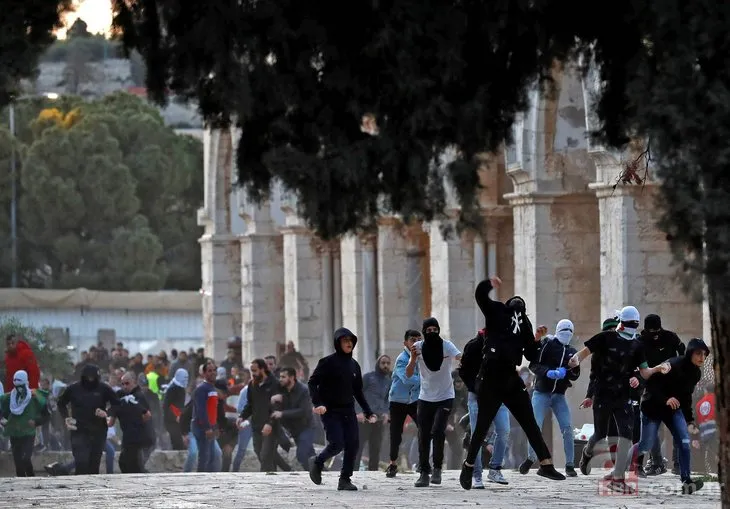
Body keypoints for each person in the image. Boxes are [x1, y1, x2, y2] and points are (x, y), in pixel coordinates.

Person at [460, 277, 565, 491]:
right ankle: (469, 466)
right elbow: (480, 296)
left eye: (521, 305)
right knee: (481, 427)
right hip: (490, 377)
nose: (518, 305)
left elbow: (531, 354)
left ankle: (546, 464)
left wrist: (537, 339)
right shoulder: (497, 311)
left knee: (529, 422)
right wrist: (489, 284)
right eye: (515, 303)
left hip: (510, 376)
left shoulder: (524, 323)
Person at [568, 305, 670, 494]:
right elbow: (584, 352)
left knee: (627, 435)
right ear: (621, 323)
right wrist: (575, 360)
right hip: (603, 393)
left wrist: (657, 369)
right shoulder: (605, 338)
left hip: (622, 396)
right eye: (630, 324)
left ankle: (618, 478)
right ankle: (587, 452)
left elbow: (644, 371)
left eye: (635, 324)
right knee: (600, 434)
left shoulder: (637, 345)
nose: (632, 327)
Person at [627, 338, 710, 494]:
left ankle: (686, 481)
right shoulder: (673, 365)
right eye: (698, 353)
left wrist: (690, 420)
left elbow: (686, 398)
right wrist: (666, 399)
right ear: (691, 353)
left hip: (673, 410)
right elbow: (651, 385)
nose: (702, 358)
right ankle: (625, 465)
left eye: (704, 354)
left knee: (684, 441)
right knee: (646, 444)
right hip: (652, 407)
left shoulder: (696, 374)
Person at [308, 327, 376, 491]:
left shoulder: (354, 365)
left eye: (351, 340)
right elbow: (312, 382)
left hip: (348, 410)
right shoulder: (327, 362)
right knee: (337, 443)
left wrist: (367, 411)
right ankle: (317, 461)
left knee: (353, 444)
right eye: (345, 340)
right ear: (338, 343)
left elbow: (358, 391)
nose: (349, 343)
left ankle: (345, 479)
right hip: (330, 410)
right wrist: (318, 404)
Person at [520, 319, 580, 477]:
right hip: (542, 391)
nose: (566, 334)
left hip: (559, 394)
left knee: (567, 427)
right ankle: (530, 458)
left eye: (569, 331)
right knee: (535, 426)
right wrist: (548, 372)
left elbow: (575, 375)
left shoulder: (572, 351)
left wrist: (572, 368)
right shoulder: (548, 344)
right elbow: (534, 365)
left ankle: (570, 464)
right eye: (564, 331)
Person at [407, 317, 461, 487]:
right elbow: (408, 373)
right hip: (425, 397)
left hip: (445, 396)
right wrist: (413, 359)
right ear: (424, 333)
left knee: (438, 430)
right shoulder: (418, 348)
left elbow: (460, 357)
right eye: (428, 330)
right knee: (423, 434)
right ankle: (424, 472)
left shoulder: (447, 345)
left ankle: (437, 469)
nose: (432, 333)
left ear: (438, 330)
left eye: (434, 330)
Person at [637, 313, 685, 476]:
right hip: (653, 386)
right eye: (653, 332)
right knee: (652, 426)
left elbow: (683, 352)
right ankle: (660, 462)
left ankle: (674, 463)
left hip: (666, 386)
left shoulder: (667, 338)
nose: (656, 336)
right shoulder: (643, 341)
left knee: (672, 424)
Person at [57, 364, 119, 475]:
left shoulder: (103, 388)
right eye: (88, 377)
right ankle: (79, 488)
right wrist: (66, 417)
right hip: (79, 430)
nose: (90, 380)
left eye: (93, 377)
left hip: (98, 430)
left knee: (94, 463)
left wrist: (107, 413)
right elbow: (61, 403)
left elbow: (117, 403)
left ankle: (92, 490)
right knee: (81, 462)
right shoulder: (73, 388)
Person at [386, 329, 421, 478]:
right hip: (398, 401)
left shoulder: (422, 357)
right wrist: (425, 381)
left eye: (419, 339)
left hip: (414, 399)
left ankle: (423, 462)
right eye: (413, 340)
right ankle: (393, 463)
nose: (416, 343)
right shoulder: (402, 359)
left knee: (425, 428)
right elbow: (407, 379)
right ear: (405, 342)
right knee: (396, 434)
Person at [0, 370, 48, 476]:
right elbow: (3, 411)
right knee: (18, 461)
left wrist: (36, 422)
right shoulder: (8, 398)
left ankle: (31, 478)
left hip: (28, 434)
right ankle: (21, 486)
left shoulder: (35, 397)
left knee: (25, 458)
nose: (19, 388)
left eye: (20, 384)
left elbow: (46, 415)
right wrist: (5, 420)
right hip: (14, 433)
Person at [270, 366, 316, 470]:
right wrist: (273, 398)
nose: (280, 379)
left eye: (283, 377)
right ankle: (322, 473)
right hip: (294, 430)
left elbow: (303, 411)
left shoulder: (303, 390)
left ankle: (314, 475)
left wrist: (282, 414)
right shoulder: (282, 389)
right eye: (280, 377)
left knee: (301, 455)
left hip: (307, 428)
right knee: (310, 455)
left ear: (292, 378)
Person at [109, 372, 154, 473]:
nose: (125, 386)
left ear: (134, 382)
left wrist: (136, 422)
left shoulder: (138, 396)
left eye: (127, 383)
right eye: (123, 384)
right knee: (126, 463)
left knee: (130, 463)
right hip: (127, 435)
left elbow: (147, 415)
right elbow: (112, 418)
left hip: (137, 436)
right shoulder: (122, 396)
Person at [355, 354, 392, 472]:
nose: (385, 366)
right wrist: (358, 412)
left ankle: (373, 473)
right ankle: (353, 472)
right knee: (358, 447)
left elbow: (387, 399)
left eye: (388, 363)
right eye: (383, 363)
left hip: (379, 420)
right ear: (378, 364)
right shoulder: (368, 378)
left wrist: (386, 413)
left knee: (375, 448)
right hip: (364, 418)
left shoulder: (388, 381)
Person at [192, 359, 219, 472]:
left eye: (214, 370)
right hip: (202, 428)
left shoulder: (212, 388)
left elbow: (213, 410)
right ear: (204, 373)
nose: (212, 372)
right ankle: (199, 481)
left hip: (210, 427)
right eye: (209, 371)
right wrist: (207, 428)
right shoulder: (201, 389)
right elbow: (201, 410)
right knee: (204, 457)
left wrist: (215, 427)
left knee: (212, 457)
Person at [163, 368, 189, 450]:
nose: (186, 380)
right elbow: (167, 405)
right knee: (177, 444)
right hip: (171, 420)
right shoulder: (172, 389)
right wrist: (177, 415)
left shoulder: (180, 388)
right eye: (184, 378)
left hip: (178, 419)